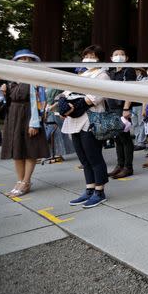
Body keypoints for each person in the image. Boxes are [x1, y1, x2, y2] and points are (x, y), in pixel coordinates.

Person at [61, 45, 111, 208]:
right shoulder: (81, 74)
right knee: (83, 159)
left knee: (94, 157)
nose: (88, 58)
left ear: (99, 58)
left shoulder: (102, 76)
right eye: (86, 55)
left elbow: (91, 99)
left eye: (92, 56)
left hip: (91, 120)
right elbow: (65, 93)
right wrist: (62, 105)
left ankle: (99, 191)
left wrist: (72, 106)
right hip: (74, 121)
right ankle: (89, 189)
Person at [0, 49, 50, 197]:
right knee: (17, 150)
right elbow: (8, 101)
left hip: (29, 114)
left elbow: (41, 102)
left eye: (29, 58)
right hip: (14, 116)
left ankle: (26, 181)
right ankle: (19, 180)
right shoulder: (11, 78)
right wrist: (4, 92)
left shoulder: (36, 78)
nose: (25, 61)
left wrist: (35, 122)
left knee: (30, 149)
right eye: (22, 58)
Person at [106, 47, 137, 179]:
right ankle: (120, 165)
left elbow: (130, 90)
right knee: (117, 138)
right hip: (111, 108)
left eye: (122, 54)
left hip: (121, 108)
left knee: (125, 139)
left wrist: (126, 108)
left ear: (127, 58)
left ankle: (128, 167)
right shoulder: (111, 73)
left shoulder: (128, 71)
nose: (119, 56)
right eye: (116, 54)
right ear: (111, 59)